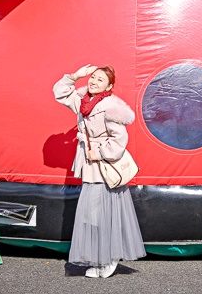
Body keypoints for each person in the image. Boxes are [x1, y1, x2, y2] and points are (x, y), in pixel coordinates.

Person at [54, 64, 146, 278]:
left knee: (101, 215)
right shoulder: (83, 101)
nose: (94, 81)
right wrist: (75, 75)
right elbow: (60, 93)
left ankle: (108, 259)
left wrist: (100, 152)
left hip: (103, 167)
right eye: (93, 78)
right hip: (90, 166)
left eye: (100, 80)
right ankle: (102, 258)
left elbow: (120, 139)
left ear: (109, 86)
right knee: (93, 216)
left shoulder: (109, 107)